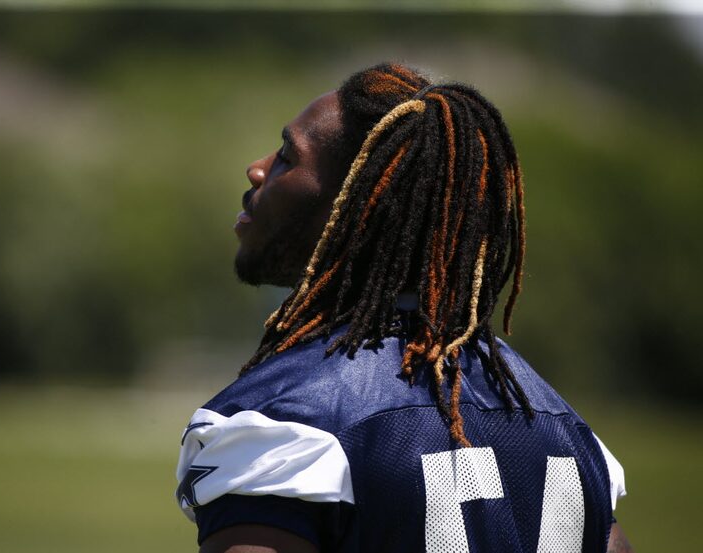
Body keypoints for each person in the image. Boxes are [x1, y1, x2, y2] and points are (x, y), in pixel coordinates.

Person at [175, 62, 631, 553]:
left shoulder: (292, 420)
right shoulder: (563, 430)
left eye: (288, 156)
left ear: (359, 205)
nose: (258, 169)